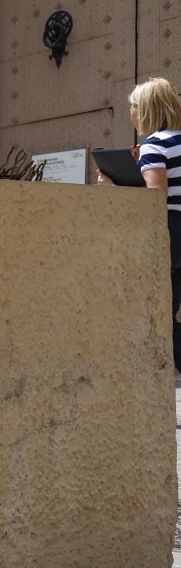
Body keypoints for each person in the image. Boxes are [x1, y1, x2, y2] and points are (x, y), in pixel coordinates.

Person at [97, 77, 181, 371]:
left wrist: (112, 186)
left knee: (156, 308)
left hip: (169, 230)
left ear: (146, 109)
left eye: (133, 105)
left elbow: (155, 198)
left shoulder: (154, 145)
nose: (130, 111)